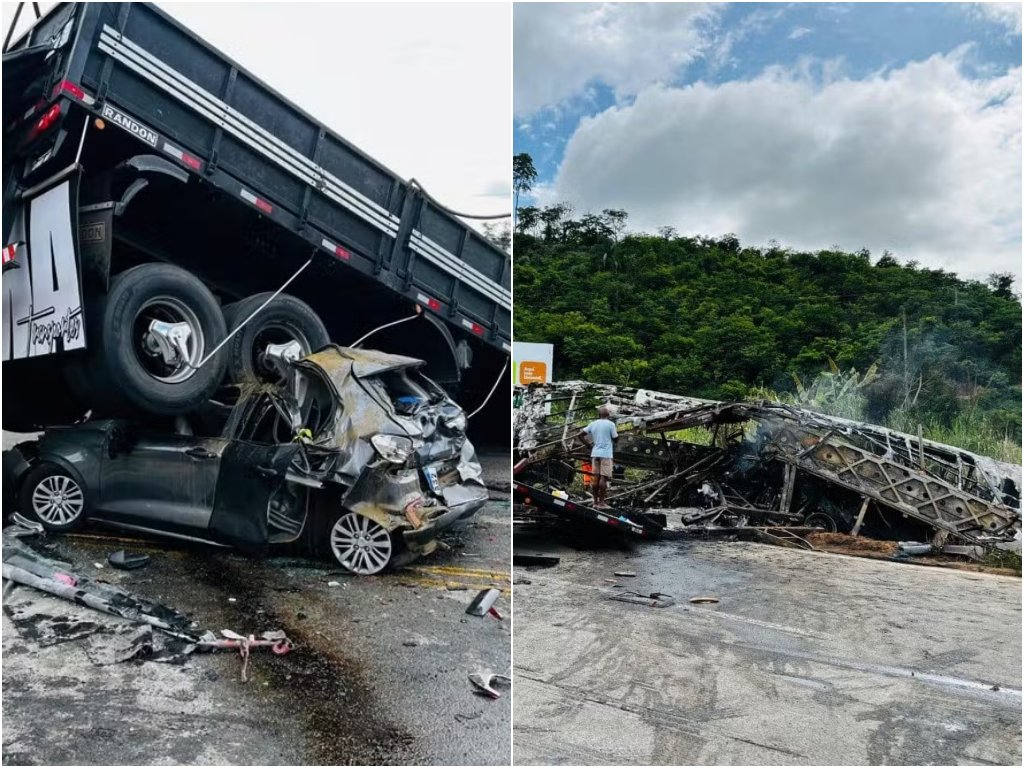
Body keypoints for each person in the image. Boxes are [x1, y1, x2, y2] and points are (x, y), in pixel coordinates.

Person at [580, 406, 618, 508]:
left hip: (595, 453)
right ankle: (601, 503)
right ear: (608, 415)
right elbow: (615, 438)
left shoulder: (593, 424)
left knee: (596, 478)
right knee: (603, 478)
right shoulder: (611, 424)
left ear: (599, 415)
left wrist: (588, 445)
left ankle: (595, 502)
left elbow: (580, 435)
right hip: (606, 454)